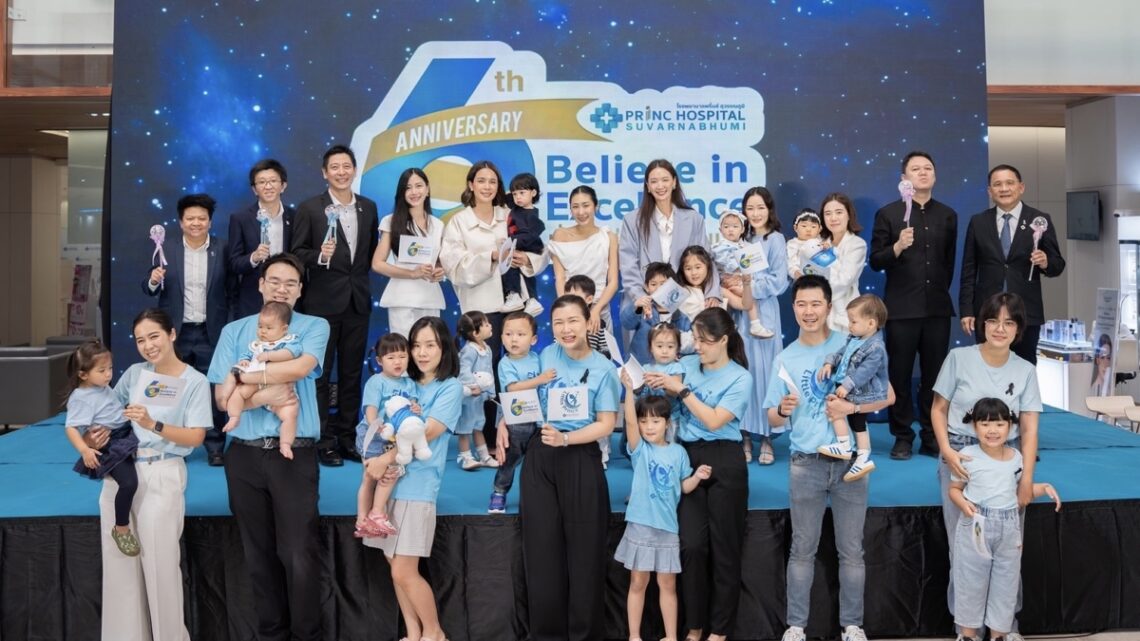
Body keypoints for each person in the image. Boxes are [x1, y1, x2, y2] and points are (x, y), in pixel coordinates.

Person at [764, 275, 895, 641]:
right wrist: (782, 409)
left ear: (828, 307)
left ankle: (853, 626)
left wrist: (851, 407)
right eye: (801, 304)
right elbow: (772, 419)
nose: (808, 312)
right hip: (805, 463)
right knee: (801, 550)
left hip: (849, 463)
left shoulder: (852, 342)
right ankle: (796, 626)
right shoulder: (785, 357)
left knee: (851, 551)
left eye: (815, 304)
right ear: (793, 308)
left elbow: (888, 397)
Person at [207, 253, 329, 641]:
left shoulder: (314, 326)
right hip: (243, 454)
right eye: (274, 281)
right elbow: (221, 400)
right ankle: (272, 634)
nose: (281, 288)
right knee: (257, 555)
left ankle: (307, 635)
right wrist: (266, 392)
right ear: (260, 284)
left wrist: (245, 380)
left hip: (293, 453)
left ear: (300, 290)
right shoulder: (234, 331)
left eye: (290, 283)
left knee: (298, 553)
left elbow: (300, 368)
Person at [82, 308, 211, 641]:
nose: (148, 346)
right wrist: (94, 435)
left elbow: (196, 437)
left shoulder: (195, 381)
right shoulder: (135, 374)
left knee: (160, 567)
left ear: (172, 334)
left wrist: (153, 423)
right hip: (121, 470)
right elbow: (108, 413)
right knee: (119, 565)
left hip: (162, 470)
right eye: (140, 340)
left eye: (154, 336)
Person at [932, 292, 1042, 634]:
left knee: (1009, 551)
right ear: (982, 324)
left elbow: (1029, 428)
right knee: (964, 548)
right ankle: (966, 629)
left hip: (1006, 459)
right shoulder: (958, 358)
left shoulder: (1025, 370)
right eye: (993, 321)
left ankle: (1005, 626)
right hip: (961, 456)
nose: (999, 329)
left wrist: (1026, 479)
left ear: (1019, 329)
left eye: (1009, 322)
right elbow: (938, 409)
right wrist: (947, 452)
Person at [644, 307, 752, 641]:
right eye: (694, 339)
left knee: (725, 548)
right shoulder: (686, 365)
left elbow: (715, 420)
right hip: (687, 457)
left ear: (724, 340)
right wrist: (652, 386)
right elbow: (668, 405)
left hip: (725, 457)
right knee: (690, 545)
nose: (698, 346)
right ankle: (694, 624)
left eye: (704, 341)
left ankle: (719, 629)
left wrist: (682, 390)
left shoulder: (740, 377)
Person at [521, 295, 620, 641]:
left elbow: (606, 423)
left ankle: (584, 634)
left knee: (585, 552)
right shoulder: (546, 355)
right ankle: (546, 634)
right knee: (542, 549)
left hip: (580, 456)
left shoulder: (604, 368)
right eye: (558, 323)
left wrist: (567, 439)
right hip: (541, 456)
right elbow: (526, 397)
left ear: (588, 322)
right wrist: (507, 420)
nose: (566, 329)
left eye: (573, 321)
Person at [363, 316, 462, 641]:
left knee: (403, 570)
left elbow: (429, 432)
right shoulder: (402, 382)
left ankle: (435, 633)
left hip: (417, 488)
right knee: (395, 568)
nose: (421, 352)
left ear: (444, 347)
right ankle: (413, 632)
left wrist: (384, 459)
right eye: (416, 345)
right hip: (387, 484)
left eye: (430, 345)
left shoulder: (450, 387)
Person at [440, 160, 548, 450]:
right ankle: (485, 438)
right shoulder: (459, 222)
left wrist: (527, 259)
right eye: (481, 180)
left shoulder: (511, 214)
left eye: (493, 181)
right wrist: (490, 256)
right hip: (480, 307)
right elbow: (452, 264)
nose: (487, 187)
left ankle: (520, 434)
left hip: (515, 306)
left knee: (516, 367)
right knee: (482, 372)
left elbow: (540, 250)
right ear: (471, 184)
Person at [291, 143, 379, 466]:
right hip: (322, 306)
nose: (341, 172)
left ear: (354, 170)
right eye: (335, 167)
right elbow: (296, 253)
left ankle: (347, 438)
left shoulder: (368, 207)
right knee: (321, 375)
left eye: (347, 166)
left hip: (357, 303)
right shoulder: (310, 208)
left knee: (352, 374)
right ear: (324, 173)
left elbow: (368, 254)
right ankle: (323, 440)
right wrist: (319, 256)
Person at [870, 151, 959, 460]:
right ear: (903, 178)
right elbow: (876, 259)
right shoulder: (889, 214)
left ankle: (932, 435)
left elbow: (948, 263)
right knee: (900, 374)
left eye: (928, 168)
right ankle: (902, 436)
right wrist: (897, 246)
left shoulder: (947, 215)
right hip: (901, 309)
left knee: (935, 376)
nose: (923, 173)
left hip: (937, 309)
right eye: (915, 169)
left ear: (935, 175)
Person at [949, 397, 1062, 641]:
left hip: (1009, 527)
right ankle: (968, 636)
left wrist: (1043, 487)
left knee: (1006, 582)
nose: (992, 430)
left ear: (1010, 426)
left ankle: (999, 635)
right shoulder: (966, 455)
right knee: (971, 581)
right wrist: (964, 505)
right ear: (974, 426)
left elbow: (1019, 490)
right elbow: (954, 489)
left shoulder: (1017, 457)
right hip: (977, 524)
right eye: (985, 424)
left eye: (999, 424)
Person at [143, 192, 233, 466]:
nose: (196, 223)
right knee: (170, 388)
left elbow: (233, 290)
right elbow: (149, 289)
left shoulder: (223, 248)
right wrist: (153, 279)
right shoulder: (165, 248)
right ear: (181, 222)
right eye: (190, 218)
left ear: (210, 222)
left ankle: (215, 446)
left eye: (201, 218)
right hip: (176, 333)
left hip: (211, 331)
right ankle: (170, 445)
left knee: (213, 389)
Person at [615, 391, 711, 641]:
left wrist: (697, 477)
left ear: (667, 423)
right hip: (641, 526)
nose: (649, 426)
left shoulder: (679, 452)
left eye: (655, 421)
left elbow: (683, 487)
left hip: (668, 528)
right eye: (644, 421)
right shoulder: (640, 450)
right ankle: (634, 636)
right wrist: (628, 391)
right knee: (638, 582)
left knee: (667, 585)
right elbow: (629, 422)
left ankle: (670, 636)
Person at [959, 164, 1066, 364]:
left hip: (1026, 311)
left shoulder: (1039, 219)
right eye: (997, 184)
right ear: (990, 191)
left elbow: (1057, 265)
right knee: (987, 367)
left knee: (1024, 366)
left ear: (1021, 187)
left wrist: (1045, 262)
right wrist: (967, 310)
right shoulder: (978, 222)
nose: (1004, 189)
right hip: (987, 310)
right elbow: (968, 270)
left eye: (1009, 183)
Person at [724, 187, 789, 465]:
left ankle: (767, 437)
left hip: (765, 312)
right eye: (750, 208)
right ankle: (744, 435)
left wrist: (748, 286)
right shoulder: (741, 238)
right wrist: (732, 284)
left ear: (769, 209)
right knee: (743, 372)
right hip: (739, 313)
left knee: (766, 374)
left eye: (760, 207)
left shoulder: (775, 239)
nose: (755, 213)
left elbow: (779, 281)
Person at [64, 340, 141, 556]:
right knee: (129, 483)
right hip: (111, 443)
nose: (108, 374)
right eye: (102, 370)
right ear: (83, 374)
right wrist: (85, 450)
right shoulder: (81, 398)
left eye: (110, 368)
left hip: (126, 431)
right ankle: (121, 528)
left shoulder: (101, 386)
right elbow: (71, 428)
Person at [619, 159, 720, 313]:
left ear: (674, 182)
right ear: (648, 186)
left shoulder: (694, 219)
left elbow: (706, 258)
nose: (660, 186)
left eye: (665, 180)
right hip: (645, 304)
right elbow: (628, 264)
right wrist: (641, 298)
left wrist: (712, 292)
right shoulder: (632, 220)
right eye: (654, 181)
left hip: (684, 302)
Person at [816, 294, 890, 481]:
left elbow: (865, 372)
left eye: (853, 322)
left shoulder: (876, 348)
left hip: (859, 391)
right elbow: (841, 353)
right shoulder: (855, 338)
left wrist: (847, 386)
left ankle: (856, 452)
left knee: (851, 419)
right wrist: (829, 363)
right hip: (846, 386)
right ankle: (850, 449)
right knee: (844, 416)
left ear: (871, 323)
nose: (849, 326)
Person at [489, 311, 555, 514]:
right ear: (501, 337)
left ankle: (538, 496)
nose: (514, 339)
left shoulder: (538, 359)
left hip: (539, 421)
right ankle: (499, 492)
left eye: (520, 334)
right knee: (509, 461)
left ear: (533, 339)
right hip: (517, 422)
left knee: (538, 463)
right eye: (508, 334)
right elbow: (512, 388)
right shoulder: (505, 363)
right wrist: (540, 379)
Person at [219, 301, 302, 459]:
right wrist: (244, 360)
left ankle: (285, 444)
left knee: (290, 414)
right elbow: (246, 355)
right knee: (239, 392)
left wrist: (270, 355)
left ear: (284, 329)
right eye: (260, 326)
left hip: (280, 385)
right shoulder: (256, 344)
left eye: (269, 328)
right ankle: (234, 416)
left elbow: (292, 353)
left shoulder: (289, 342)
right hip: (256, 382)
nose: (263, 331)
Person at [371, 167, 447, 339]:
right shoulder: (391, 221)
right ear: (402, 193)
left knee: (430, 346)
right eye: (408, 188)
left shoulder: (438, 225)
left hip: (430, 297)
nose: (414, 192)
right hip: (402, 298)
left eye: (419, 186)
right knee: (403, 348)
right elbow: (377, 264)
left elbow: (439, 261)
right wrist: (412, 273)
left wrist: (439, 271)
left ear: (427, 189)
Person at [354, 332, 417, 538]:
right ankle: (362, 520)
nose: (397, 362)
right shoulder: (376, 381)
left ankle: (377, 514)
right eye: (391, 357)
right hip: (372, 434)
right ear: (380, 361)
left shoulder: (409, 383)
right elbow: (370, 408)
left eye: (402, 356)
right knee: (369, 476)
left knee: (390, 473)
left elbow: (412, 404)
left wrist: (415, 408)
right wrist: (375, 423)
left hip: (393, 437)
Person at [229, 158, 296, 319]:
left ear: (283, 185)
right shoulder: (241, 219)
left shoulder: (296, 217)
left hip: (288, 296)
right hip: (253, 298)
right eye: (262, 182)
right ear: (254, 189)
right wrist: (254, 257)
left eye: (273, 181)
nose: (268, 186)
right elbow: (234, 263)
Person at [548, 185, 620, 330]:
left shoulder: (608, 237)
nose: (581, 212)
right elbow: (560, 278)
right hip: (570, 311)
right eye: (575, 207)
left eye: (586, 205)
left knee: (601, 344)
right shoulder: (560, 235)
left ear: (595, 206)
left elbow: (613, 282)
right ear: (570, 209)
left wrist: (596, 310)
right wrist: (566, 308)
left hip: (599, 311)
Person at [711, 208, 774, 338]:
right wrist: (741, 268)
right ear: (720, 230)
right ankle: (735, 325)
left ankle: (754, 325)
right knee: (728, 304)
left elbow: (755, 267)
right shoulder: (720, 247)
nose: (730, 230)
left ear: (742, 229)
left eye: (735, 226)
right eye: (726, 227)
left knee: (749, 297)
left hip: (742, 280)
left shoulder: (746, 246)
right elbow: (728, 265)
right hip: (727, 281)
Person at [455, 310, 499, 470]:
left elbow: (489, 372)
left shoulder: (487, 349)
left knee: (478, 426)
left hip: (480, 398)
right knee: (465, 428)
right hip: (469, 397)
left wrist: (490, 391)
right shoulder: (469, 350)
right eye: (486, 324)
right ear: (475, 333)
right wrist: (472, 386)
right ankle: (466, 457)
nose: (490, 326)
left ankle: (484, 456)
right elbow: (463, 370)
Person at [819, 193, 867, 333]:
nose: (833, 218)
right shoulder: (817, 243)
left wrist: (817, 295)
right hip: (817, 313)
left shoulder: (857, 244)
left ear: (849, 215)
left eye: (839, 212)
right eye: (828, 213)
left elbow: (844, 281)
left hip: (846, 312)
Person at [502, 172, 546, 315]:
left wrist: (511, 242)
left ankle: (518, 295)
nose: (518, 197)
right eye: (515, 194)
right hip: (517, 244)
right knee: (518, 271)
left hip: (526, 245)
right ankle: (529, 299)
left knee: (517, 269)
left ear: (533, 193)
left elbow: (532, 232)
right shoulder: (516, 207)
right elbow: (505, 197)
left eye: (522, 193)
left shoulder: (531, 215)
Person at [620, 262, 679, 365]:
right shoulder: (643, 307)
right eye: (653, 284)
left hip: (666, 367)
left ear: (672, 286)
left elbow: (686, 335)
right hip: (640, 365)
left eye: (663, 284)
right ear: (646, 287)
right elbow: (627, 324)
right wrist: (636, 307)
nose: (658, 288)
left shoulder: (678, 312)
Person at [565, 274, 612, 358]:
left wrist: (601, 356)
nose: (570, 302)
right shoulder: (563, 323)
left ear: (589, 299)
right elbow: (557, 346)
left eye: (575, 298)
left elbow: (604, 348)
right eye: (567, 298)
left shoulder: (597, 324)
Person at [786, 208, 823, 280]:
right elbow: (791, 263)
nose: (808, 229)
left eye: (813, 227)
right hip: (801, 277)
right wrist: (796, 273)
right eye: (804, 226)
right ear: (795, 228)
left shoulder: (821, 242)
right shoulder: (792, 244)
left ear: (819, 229)